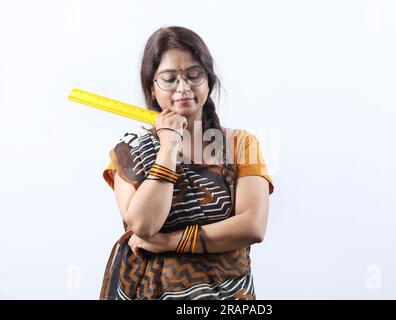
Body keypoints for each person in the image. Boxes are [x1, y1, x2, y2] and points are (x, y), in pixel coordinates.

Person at [100, 26, 274, 300]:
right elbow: (144, 225)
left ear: (209, 82)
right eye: (169, 79)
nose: (183, 87)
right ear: (152, 89)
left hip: (230, 295)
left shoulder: (242, 144)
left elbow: (252, 226)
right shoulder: (129, 150)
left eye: (193, 75)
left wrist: (170, 241)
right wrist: (168, 146)